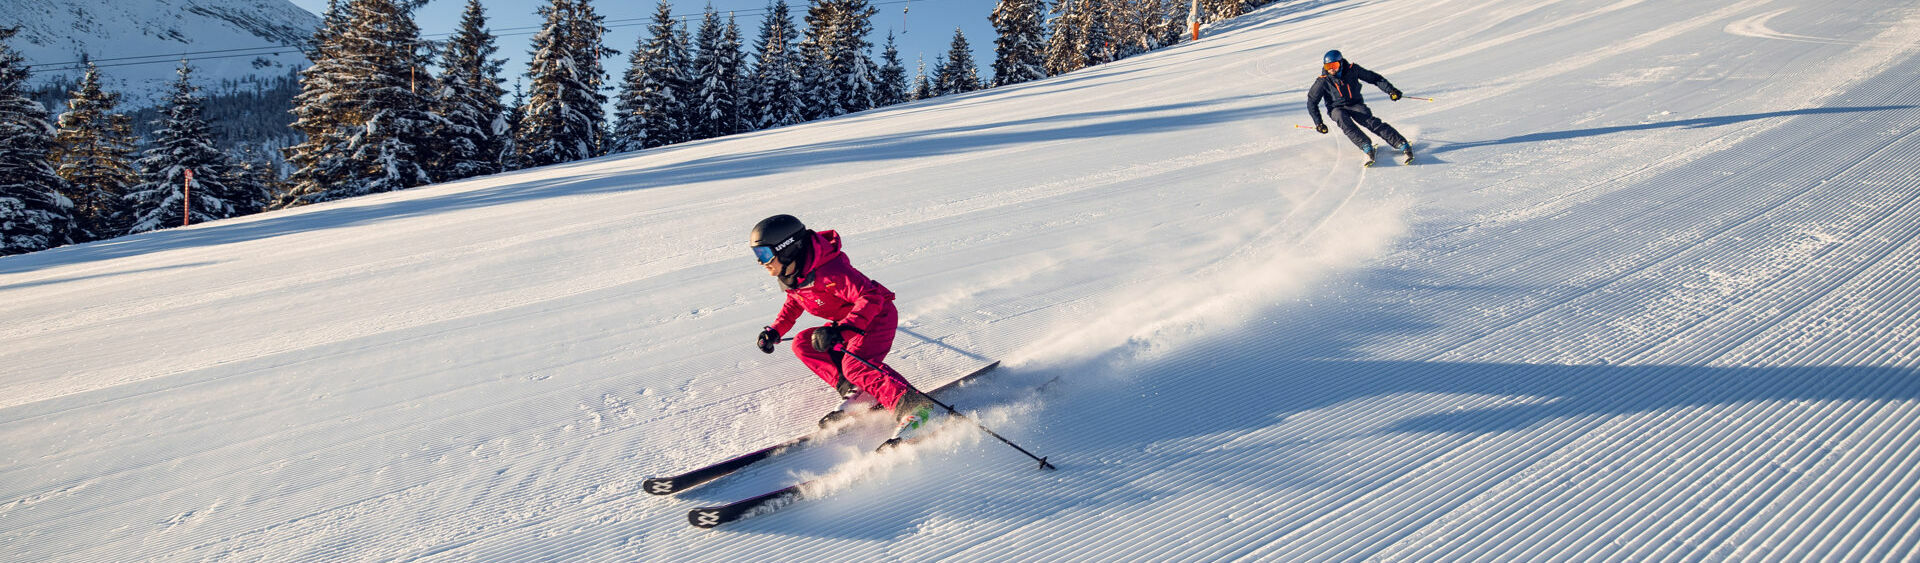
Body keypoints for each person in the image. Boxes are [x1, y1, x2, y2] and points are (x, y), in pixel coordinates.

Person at [749, 214, 940, 442]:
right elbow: (794, 303)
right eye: (757, 255)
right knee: (803, 344)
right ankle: (862, 391)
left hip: (876, 318)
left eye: (764, 254)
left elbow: (870, 296)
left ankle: (914, 407)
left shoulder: (831, 271)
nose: (761, 262)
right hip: (846, 323)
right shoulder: (796, 273)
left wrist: (842, 331)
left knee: (856, 365)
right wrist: (776, 330)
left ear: (787, 248)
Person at [1307, 50, 1414, 166]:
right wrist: (1319, 123)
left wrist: (1391, 90)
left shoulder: (1353, 70)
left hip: (1355, 104)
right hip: (1336, 108)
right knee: (1342, 119)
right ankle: (1365, 145)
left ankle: (1400, 143)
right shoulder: (1323, 81)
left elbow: (1374, 78)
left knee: (1369, 121)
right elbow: (1311, 102)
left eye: (1334, 65)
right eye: (1328, 66)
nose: (1331, 69)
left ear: (1341, 63)